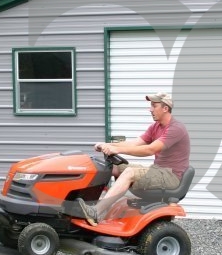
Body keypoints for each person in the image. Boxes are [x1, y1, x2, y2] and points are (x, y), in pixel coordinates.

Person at [78, 92, 190, 225]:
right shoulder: (155, 127)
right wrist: (108, 145)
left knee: (130, 172)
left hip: (170, 176)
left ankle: (96, 212)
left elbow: (150, 149)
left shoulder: (175, 129)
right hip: (157, 171)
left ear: (165, 108)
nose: (150, 109)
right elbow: (134, 143)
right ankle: (86, 202)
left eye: (154, 106)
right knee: (114, 167)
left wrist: (117, 149)